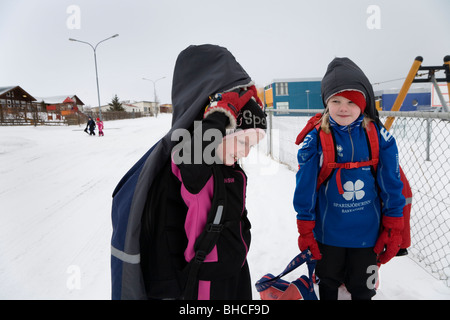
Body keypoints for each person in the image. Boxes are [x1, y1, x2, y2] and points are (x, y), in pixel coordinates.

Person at [111, 44, 265, 300]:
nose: (246, 153)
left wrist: (242, 241)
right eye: (242, 142)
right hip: (205, 278)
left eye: (252, 145)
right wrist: (221, 113)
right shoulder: (191, 163)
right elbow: (193, 151)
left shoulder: (233, 170)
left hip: (235, 270)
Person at [293, 57, 405, 300]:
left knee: (363, 289)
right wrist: (305, 228)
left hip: (368, 236)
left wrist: (395, 226)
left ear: (363, 104)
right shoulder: (316, 139)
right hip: (327, 234)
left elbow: (392, 185)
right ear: (326, 102)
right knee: (328, 285)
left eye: (351, 102)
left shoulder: (379, 137)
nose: (343, 108)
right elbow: (305, 188)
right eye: (336, 101)